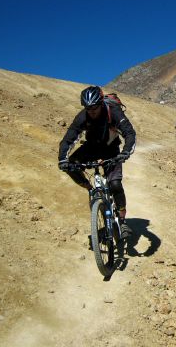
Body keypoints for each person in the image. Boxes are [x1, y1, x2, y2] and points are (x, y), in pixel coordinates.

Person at [58, 86, 136, 239]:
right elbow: (69, 138)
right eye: (87, 108)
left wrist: (125, 151)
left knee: (115, 184)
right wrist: (62, 158)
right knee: (70, 165)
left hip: (111, 149)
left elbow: (129, 133)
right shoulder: (82, 117)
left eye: (94, 107)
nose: (91, 111)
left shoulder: (113, 112)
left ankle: (122, 220)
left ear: (101, 103)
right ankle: (90, 189)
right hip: (91, 147)